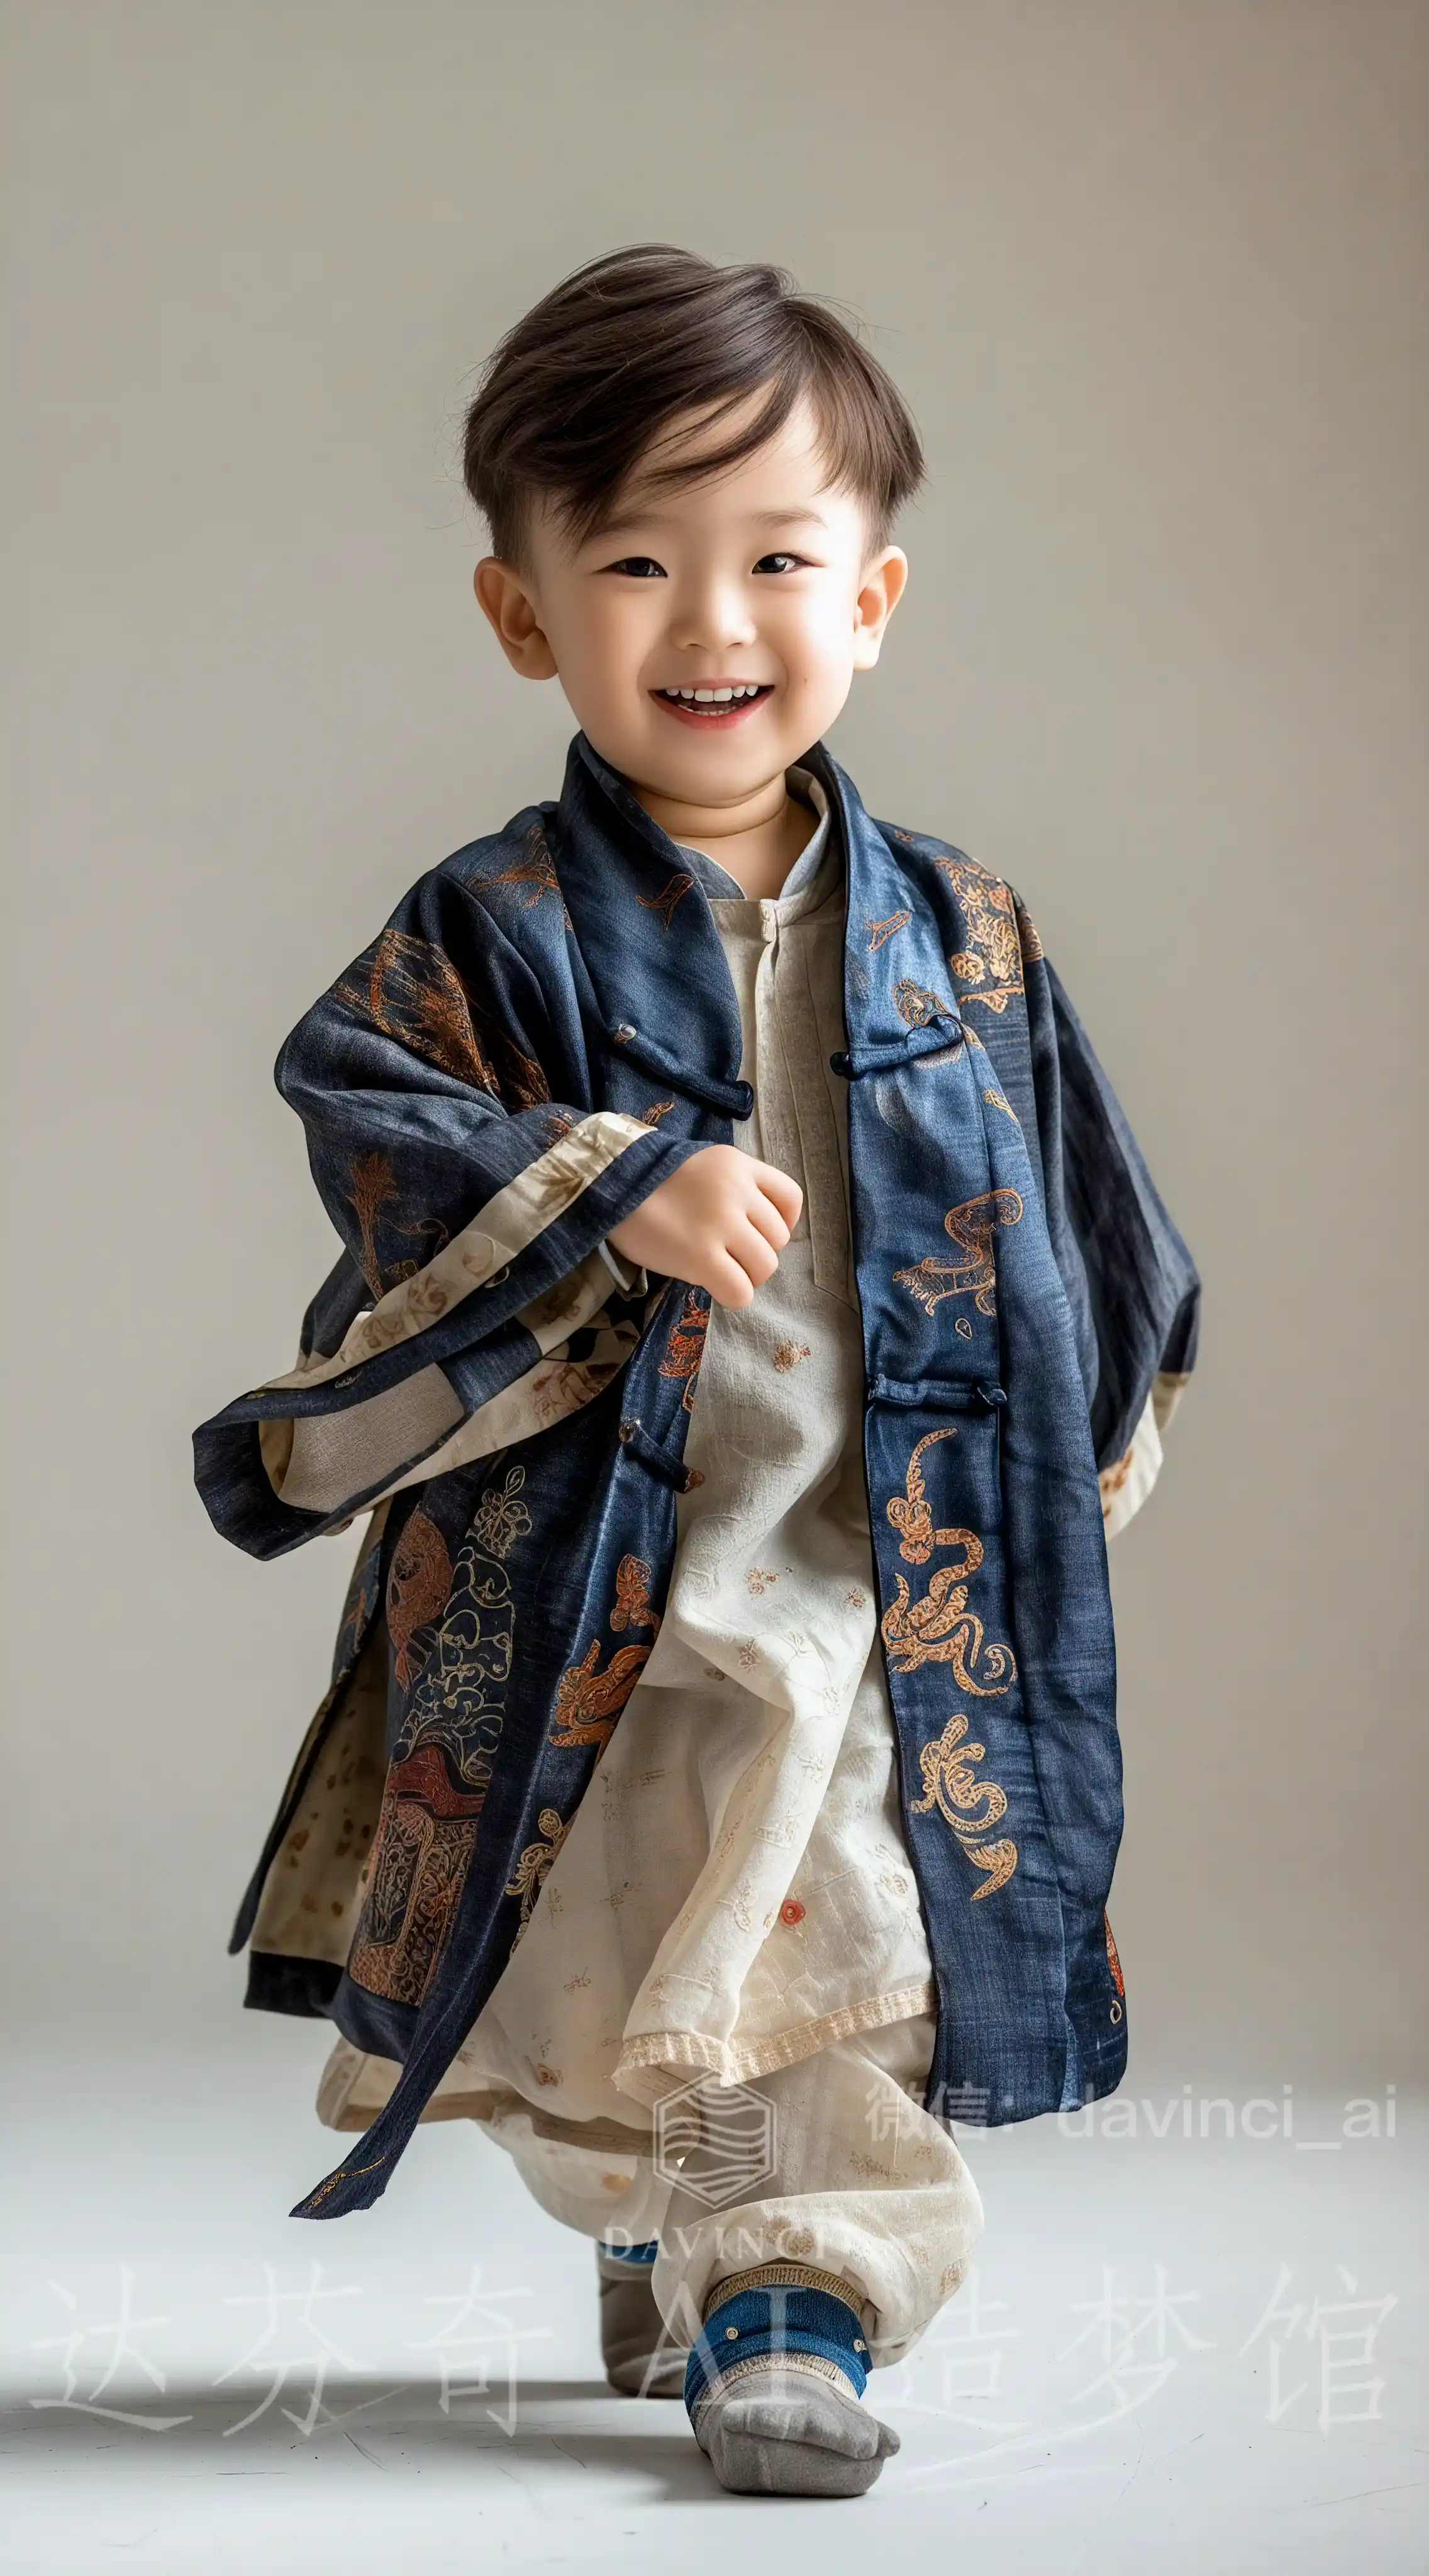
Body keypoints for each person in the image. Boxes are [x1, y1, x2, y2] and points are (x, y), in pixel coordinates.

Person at [193, 245, 1199, 2499]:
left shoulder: (962, 928)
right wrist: (607, 1180)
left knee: (838, 1900)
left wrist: (1081, 1451)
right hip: (613, 1559)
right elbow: (370, 1106)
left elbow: (1086, 1197)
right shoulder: (494, 927)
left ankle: (790, 2297)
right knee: (656, 1925)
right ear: (524, 612)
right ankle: (682, 2227)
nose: (714, 620)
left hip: (880, 1551)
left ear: (876, 596)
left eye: (778, 559)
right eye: (638, 562)